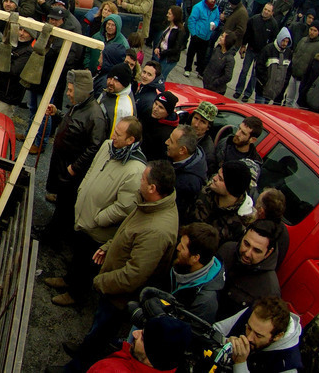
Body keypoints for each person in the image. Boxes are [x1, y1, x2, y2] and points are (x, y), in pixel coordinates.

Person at [60, 160, 178, 370]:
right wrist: (109, 246)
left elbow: (134, 274)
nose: (139, 181)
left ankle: (75, 368)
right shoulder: (150, 205)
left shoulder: (157, 230)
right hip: (114, 289)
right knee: (97, 331)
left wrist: (100, 281)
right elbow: (128, 229)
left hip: (119, 297)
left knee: (99, 336)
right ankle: (83, 349)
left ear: (152, 188)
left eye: (142, 179)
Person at [48, 117, 146, 308]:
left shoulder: (136, 170)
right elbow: (92, 170)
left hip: (97, 229)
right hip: (84, 217)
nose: (113, 136)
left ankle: (76, 294)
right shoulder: (108, 146)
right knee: (77, 255)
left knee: (86, 263)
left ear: (130, 140)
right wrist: (82, 192)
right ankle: (68, 279)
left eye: (118, 134)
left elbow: (125, 207)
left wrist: (98, 218)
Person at [41, 70, 107, 240]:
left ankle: (52, 237)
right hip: (63, 165)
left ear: (81, 90)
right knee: (61, 203)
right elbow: (71, 122)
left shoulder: (95, 116)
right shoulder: (80, 105)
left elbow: (94, 147)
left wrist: (75, 168)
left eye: (71, 90)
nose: (68, 93)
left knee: (65, 206)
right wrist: (58, 113)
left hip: (71, 171)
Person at [213, 296, 303, 373]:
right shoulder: (254, 313)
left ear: (277, 336)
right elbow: (215, 329)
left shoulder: (287, 366)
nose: (249, 338)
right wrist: (224, 341)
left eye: (258, 335)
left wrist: (240, 363)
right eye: (248, 328)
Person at [217, 222, 284, 320]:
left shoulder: (269, 290)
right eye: (246, 244)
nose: (247, 253)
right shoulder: (227, 250)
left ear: (268, 253)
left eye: (256, 251)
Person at [84, 315, 193, 373]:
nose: (135, 333)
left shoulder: (107, 370)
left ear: (151, 357)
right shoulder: (169, 364)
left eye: (142, 338)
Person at [167, 222, 225, 323]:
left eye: (183, 247)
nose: (178, 247)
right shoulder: (181, 263)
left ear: (195, 258)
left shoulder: (205, 301)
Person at [191, 161, 255, 245]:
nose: (214, 178)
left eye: (220, 179)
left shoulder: (239, 225)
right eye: (217, 174)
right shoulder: (204, 194)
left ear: (231, 188)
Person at [236, 3, 280, 102]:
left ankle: (247, 94)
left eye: (268, 11)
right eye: (265, 9)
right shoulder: (254, 19)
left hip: (262, 55)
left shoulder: (274, 25)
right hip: (251, 50)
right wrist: (243, 45)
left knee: (255, 75)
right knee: (244, 71)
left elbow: (273, 41)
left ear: (272, 13)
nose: (266, 12)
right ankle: (238, 90)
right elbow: (247, 34)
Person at [185, 0, 220, 77]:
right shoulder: (198, 7)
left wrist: (215, 24)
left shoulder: (215, 8)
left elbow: (217, 19)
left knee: (202, 55)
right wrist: (194, 33)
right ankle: (188, 68)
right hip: (197, 35)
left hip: (207, 36)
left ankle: (200, 71)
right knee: (191, 53)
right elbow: (192, 20)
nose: (212, 0)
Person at [97, 63, 135, 135]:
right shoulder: (111, 91)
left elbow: (113, 138)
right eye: (110, 78)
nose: (111, 82)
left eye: (116, 80)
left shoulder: (122, 109)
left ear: (124, 84)